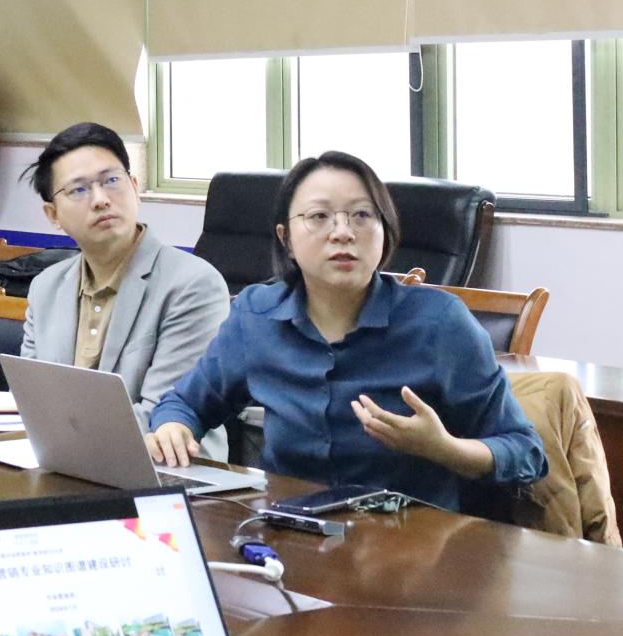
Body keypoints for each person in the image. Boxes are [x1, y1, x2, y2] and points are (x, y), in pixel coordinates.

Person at [147, 150, 546, 515]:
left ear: (386, 231)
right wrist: (173, 428)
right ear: (286, 239)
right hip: (289, 534)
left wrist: (444, 448)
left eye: (361, 215)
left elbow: (526, 452)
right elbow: (185, 403)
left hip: (411, 545)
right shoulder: (257, 316)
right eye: (319, 216)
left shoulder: (439, 324)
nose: (343, 232)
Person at [20, 122, 231, 440]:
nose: (100, 199)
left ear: (134, 186)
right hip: (64, 457)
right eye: (78, 190)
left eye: (111, 180)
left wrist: (59, 433)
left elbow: (165, 414)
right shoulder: (45, 288)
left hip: (165, 464)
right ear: (53, 215)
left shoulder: (193, 285)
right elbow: (34, 401)